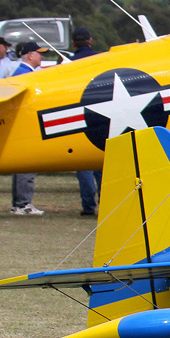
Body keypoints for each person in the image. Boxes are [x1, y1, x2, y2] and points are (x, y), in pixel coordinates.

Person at [7, 42, 45, 216]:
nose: (42, 57)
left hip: (19, 128)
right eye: (39, 53)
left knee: (21, 167)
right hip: (25, 129)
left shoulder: (20, 72)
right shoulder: (25, 75)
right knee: (27, 167)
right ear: (30, 55)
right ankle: (23, 204)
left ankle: (19, 204)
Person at [68, 27, 102, 215]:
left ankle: (88, 206)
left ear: (73, 43)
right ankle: (107, 206)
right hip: (102, 114)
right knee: (102, 164)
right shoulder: (101, 59)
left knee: (84, 166)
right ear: (90, 41)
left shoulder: (66, 63)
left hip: (78, 117)